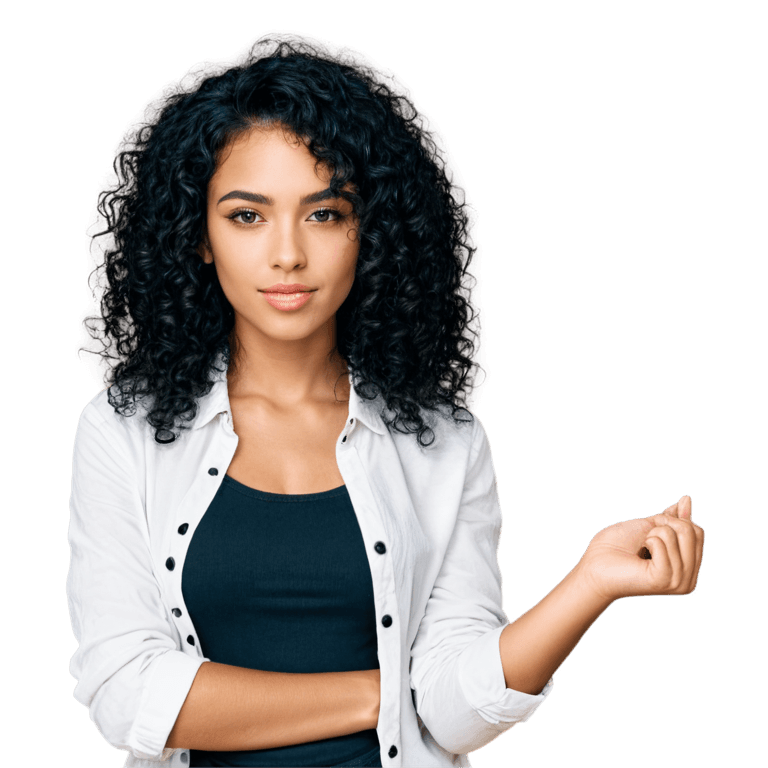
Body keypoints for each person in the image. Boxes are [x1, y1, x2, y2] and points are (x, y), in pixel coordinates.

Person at [67, 41, 705, 768]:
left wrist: (590, 584)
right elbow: (127, 692)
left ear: (369, 233)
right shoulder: (122, 432)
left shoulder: (446, 441)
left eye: (325, 214)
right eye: (247, 216)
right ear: (200, 236)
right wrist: (388, 694)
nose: (286, 255)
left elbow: (456, 716)